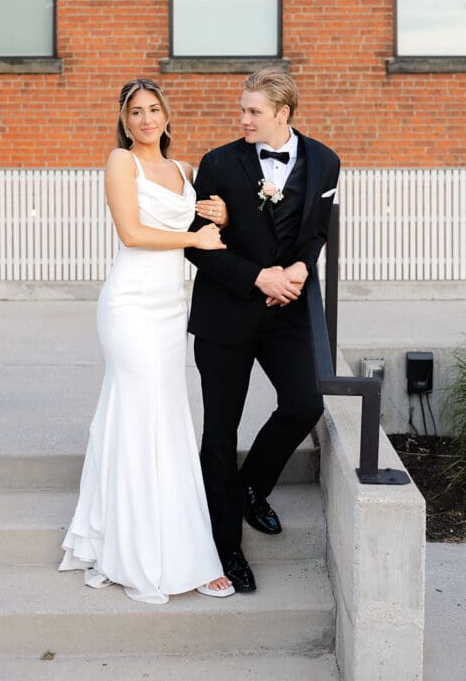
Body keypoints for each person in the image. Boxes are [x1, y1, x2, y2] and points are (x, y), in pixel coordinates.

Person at [59, 78, 234, 603]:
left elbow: (218, 221)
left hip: (169, 308)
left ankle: (184, 549)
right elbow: (132, 233)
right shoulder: (121, 163)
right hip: (130, 305)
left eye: (153, 109)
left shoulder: (186, 172)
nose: (145, 119)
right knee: (143, 413)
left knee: (169, 419)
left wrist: (220, 215)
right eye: (135, 111)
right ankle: (138, 552)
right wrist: (194, 237)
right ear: (124, 119)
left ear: (165, 114)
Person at [187, 69, 340, 594]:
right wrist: (259, 276)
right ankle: (227, 549)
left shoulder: (325, 160)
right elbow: (196, 246)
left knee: (305, 402)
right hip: (226, 315)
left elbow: (316, 229)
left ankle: (253, 489)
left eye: (254, 111)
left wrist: (300, 268)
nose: (243, 118)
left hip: (285, 313)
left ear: (283, 114)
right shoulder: (217, 163)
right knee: (220, 432)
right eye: (242, 109)